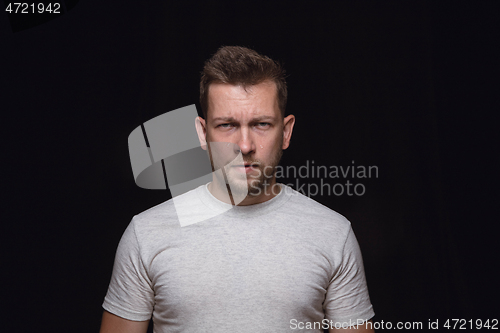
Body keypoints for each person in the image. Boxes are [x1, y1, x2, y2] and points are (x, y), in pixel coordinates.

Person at [100, 46, 375, 332]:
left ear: (286, 131)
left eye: (261, 124)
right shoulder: (146, 234)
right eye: (227, 125)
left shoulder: (333, 234)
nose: (244, 146)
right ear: (203, 134)